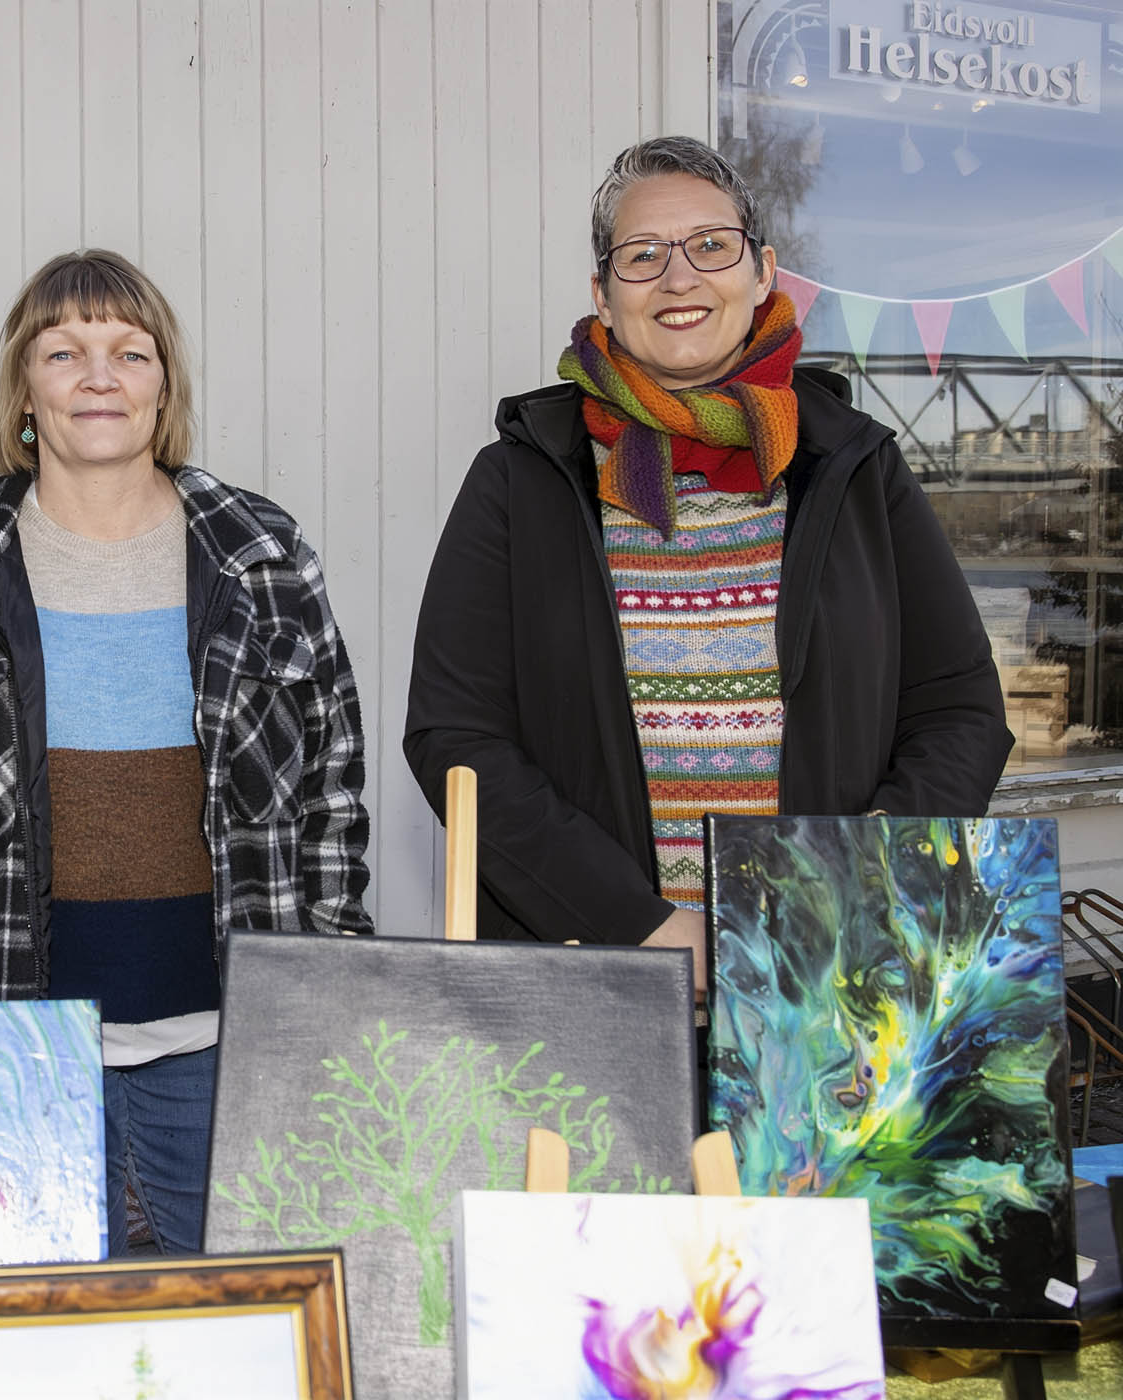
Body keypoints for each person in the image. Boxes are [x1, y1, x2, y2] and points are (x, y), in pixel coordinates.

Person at [0, 248, 372, 1255]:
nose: (97, 374)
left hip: (224, 1038)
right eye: (63, 350)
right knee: (23, 1343)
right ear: (23, 389)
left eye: (128, 351)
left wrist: (322, 985)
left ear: (163, 387)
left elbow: (328, 796)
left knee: (227, 1336)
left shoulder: (262, 558)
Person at [404, 137, 1010, 982]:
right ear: (603, 295)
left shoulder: (855, 465)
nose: (678, 278)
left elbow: (960, 710)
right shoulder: (522, 476)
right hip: (592, 974)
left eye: (710, 247)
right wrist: (640, 926)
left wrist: (864, 891)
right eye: (642, 254)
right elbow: (456, 735)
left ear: (762, 273)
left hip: (830, 977)